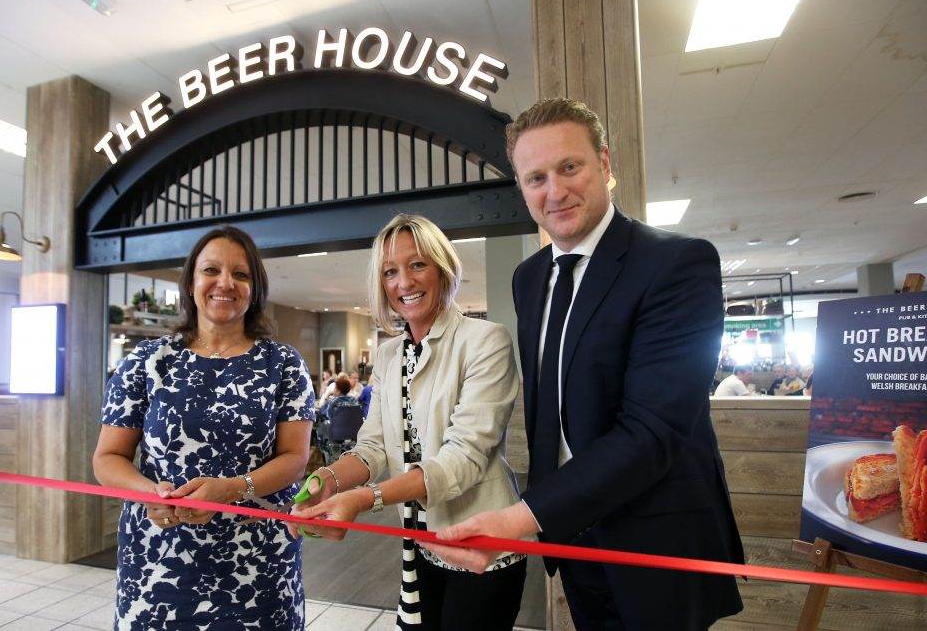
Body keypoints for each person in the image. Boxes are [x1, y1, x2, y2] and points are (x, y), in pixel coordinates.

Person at [428, 98, 744, 630]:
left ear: (604, 163)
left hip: (657, 537)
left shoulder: (676, 263)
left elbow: (654, 429)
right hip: (571, 530)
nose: (554, 191)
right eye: (535, 178)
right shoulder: (529, 279)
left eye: (569, 167)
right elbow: (551, 406)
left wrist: (518, 519)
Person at [291, 214, 527, 629]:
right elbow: (374, 447)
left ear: (443, 268)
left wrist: (365, 498)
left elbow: (463, 458)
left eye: (417, 264)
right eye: (390, 272)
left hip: (480, 541)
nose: (404, 283)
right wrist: (330, 479)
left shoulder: (486, 341)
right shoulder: (387, 355)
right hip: (417, 540)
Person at [92, 226, 315, 629]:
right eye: (211, 270)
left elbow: (295, 459)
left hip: (257, 562)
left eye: (241, 274)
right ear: (191, 282)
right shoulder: (148, 360)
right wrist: (148, 492)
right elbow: (108, 458)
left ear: (255, 288)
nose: (225, 283)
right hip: (158, 561)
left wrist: (232, 489)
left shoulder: (282, 363)